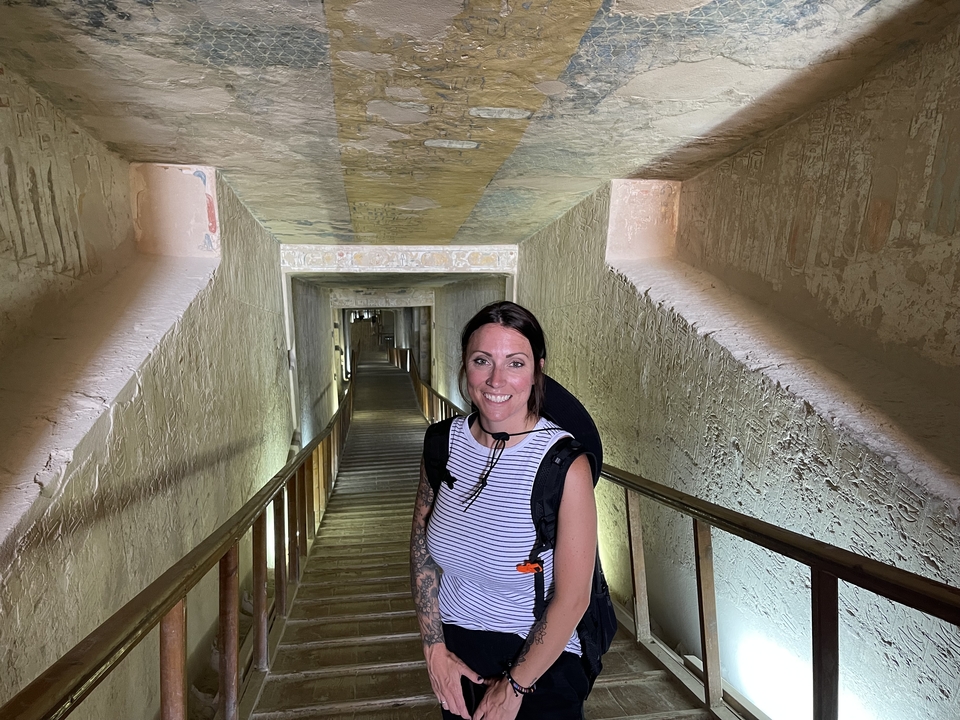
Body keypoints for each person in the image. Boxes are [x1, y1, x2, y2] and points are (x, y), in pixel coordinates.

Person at [410, 301, 597, 720]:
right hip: (457, 658)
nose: (496, 380)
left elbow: (573, 598)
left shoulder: (564, 465)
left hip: (539, 664)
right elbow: (421, 546)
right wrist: (433, 648)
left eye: (515, 363)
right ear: (465, 365)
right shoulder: (441, 444)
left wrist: (514, 687)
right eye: (482, 361)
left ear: (537, 371)